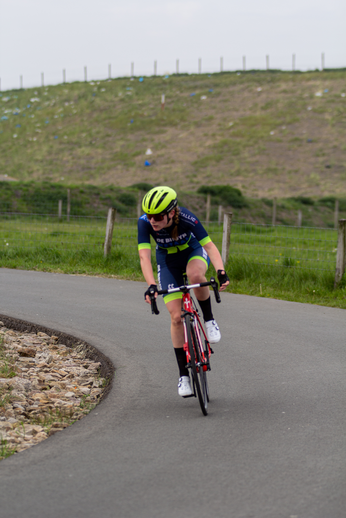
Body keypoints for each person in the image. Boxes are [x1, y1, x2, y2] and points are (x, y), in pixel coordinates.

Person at [138, 186, 230, 397]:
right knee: (176, 317)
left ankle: (209, 320)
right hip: (167, 261)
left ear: (171, 212)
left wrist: (221, 271)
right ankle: (184, 376)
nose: (153, 220)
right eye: (149, 215)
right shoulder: (144, 223)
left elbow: (210, 246)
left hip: (192, 252)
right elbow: (144, 256)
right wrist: (151, 285)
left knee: (196, 276)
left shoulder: (187, 217)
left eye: (158, 216)